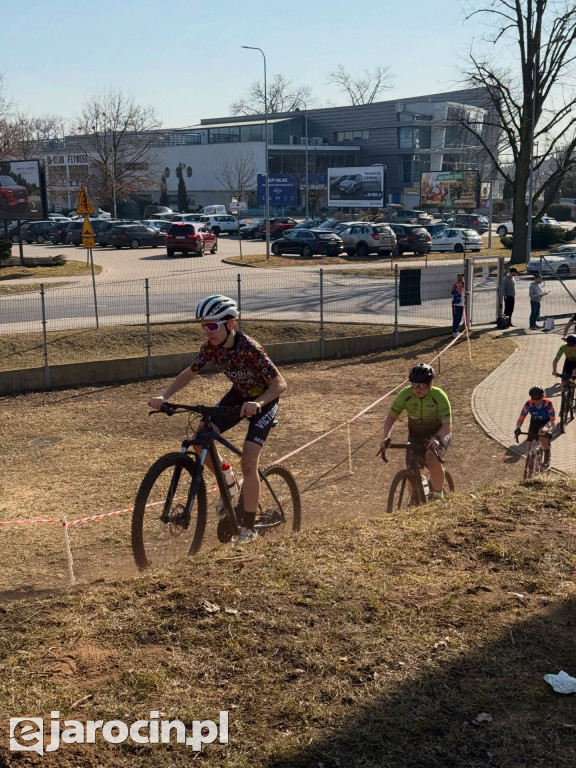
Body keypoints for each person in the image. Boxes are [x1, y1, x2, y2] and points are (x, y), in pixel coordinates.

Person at [149, 295, 287, 546]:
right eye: (204, 326)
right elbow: (189, 373)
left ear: (230, 323)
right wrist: (164, 396)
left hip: (264, 400)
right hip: (238, 396)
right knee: (200, 438)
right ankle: (228, 482)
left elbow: (280, 384)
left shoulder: (250, 348)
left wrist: (258, 403)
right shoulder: (210, 348)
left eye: (212, 325)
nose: (207, 331)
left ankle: (248, 527)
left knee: (249, 461)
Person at [381, 363, 452, 500]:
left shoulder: (439, 396)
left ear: (430, 384)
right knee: (412, 473)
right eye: (414, 384)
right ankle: (417, 497)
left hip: (438, 434)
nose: (418, 388)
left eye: (422, 385)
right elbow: (391, 418)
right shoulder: (405, 394)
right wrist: (385, 437)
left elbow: (447, 425)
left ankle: (438, 496)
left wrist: (437, 438)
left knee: (431, 458)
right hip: (416, 436)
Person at [514, 385, 555, 470]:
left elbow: (553, 422)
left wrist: (550, 431)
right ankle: (530, 467)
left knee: (542, 432)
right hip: (534, 422)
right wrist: (518, 428)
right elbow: (521, 419)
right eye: (533, 398)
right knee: (529, 446)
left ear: (543, 396)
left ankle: (547, 454)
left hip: (546, 422)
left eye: (538, 398)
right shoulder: (528, 404)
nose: (535, 400)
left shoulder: (548, 404)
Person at [451, 273, 466, 338]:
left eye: (462, 277)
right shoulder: (455, 285)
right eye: (459, 277)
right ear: (457, 278)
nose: (460, 278)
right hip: (456, 304)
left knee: (459, 318)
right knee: (456, 318)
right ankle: (454, 332)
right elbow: (452, 292)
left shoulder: (464, 285)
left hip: (462, 304)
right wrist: (459, 287)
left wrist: (466, 293)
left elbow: (463, 293)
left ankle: (457, 331)